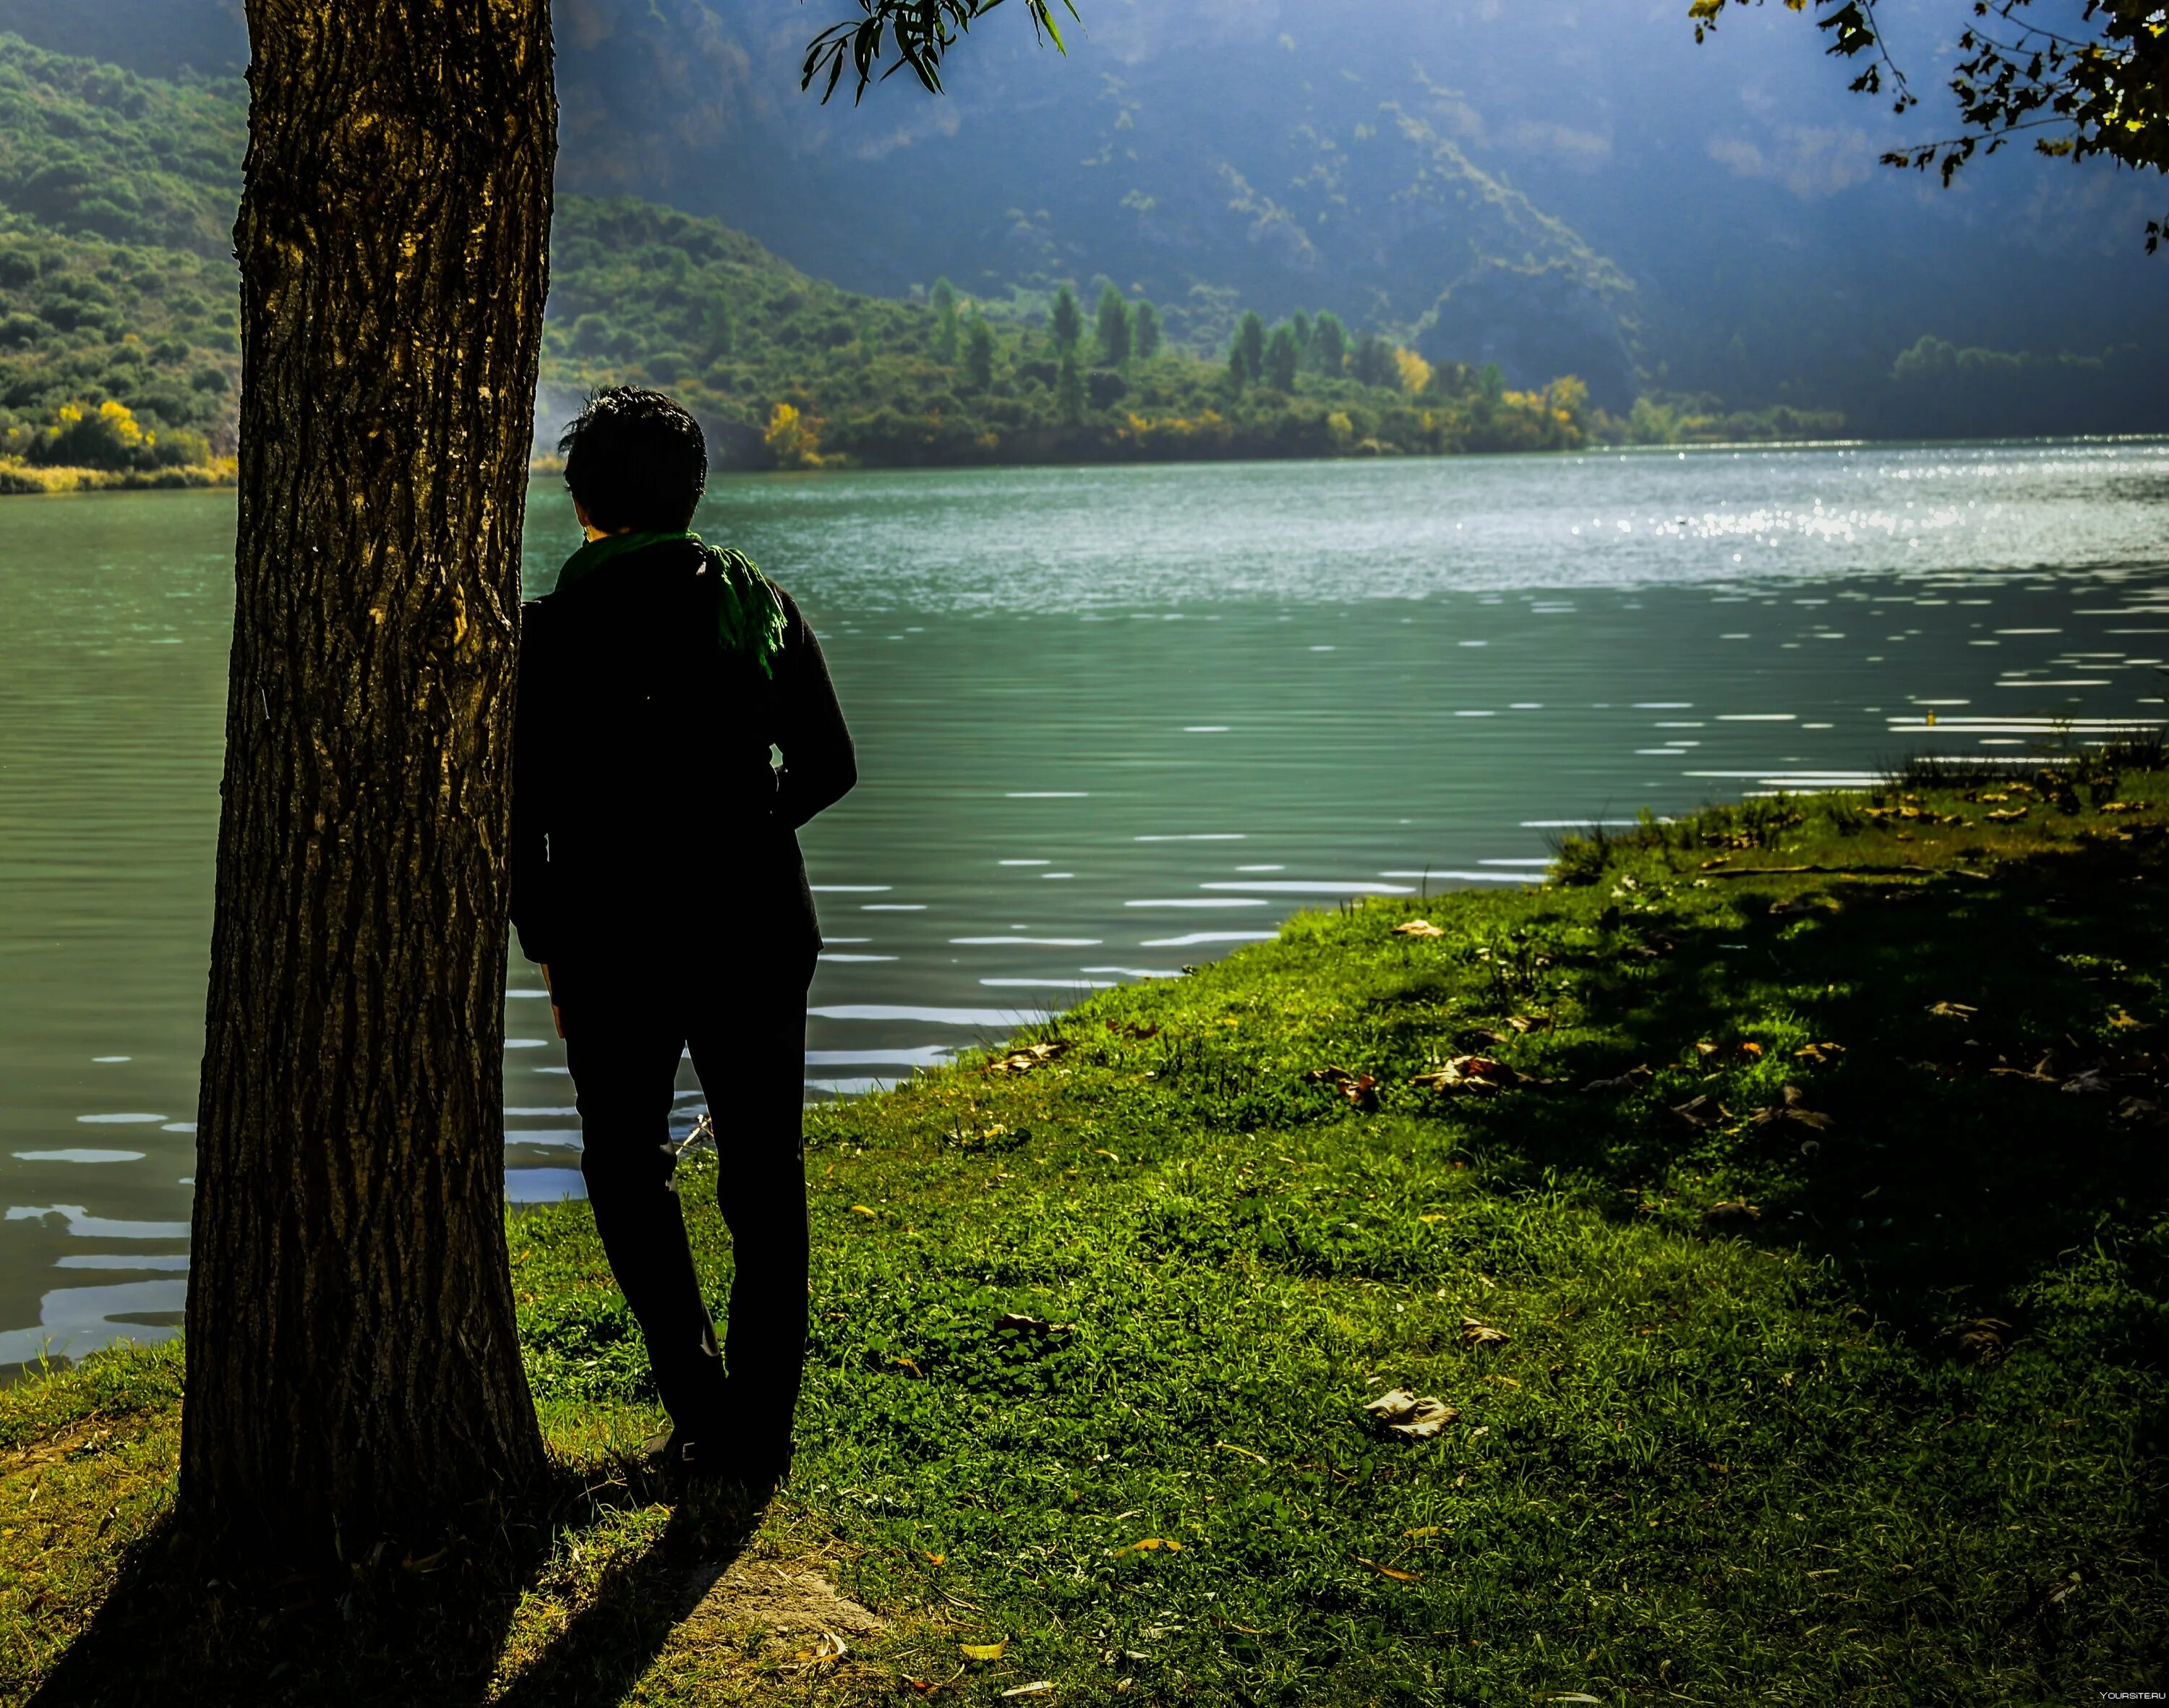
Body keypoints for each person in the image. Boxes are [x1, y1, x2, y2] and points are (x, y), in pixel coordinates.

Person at [510, 387, 855, 1489]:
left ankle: (700, 1405)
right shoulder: (757, 602)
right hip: (757, 921)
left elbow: (518, 819)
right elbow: (830, 766)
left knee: (623, 1166)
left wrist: (546, 941)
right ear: (692, 490)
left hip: (612, 941)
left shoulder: (550, 633)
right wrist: (747, 828)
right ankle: (760, 1433)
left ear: (585, 502)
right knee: (764, 1174)